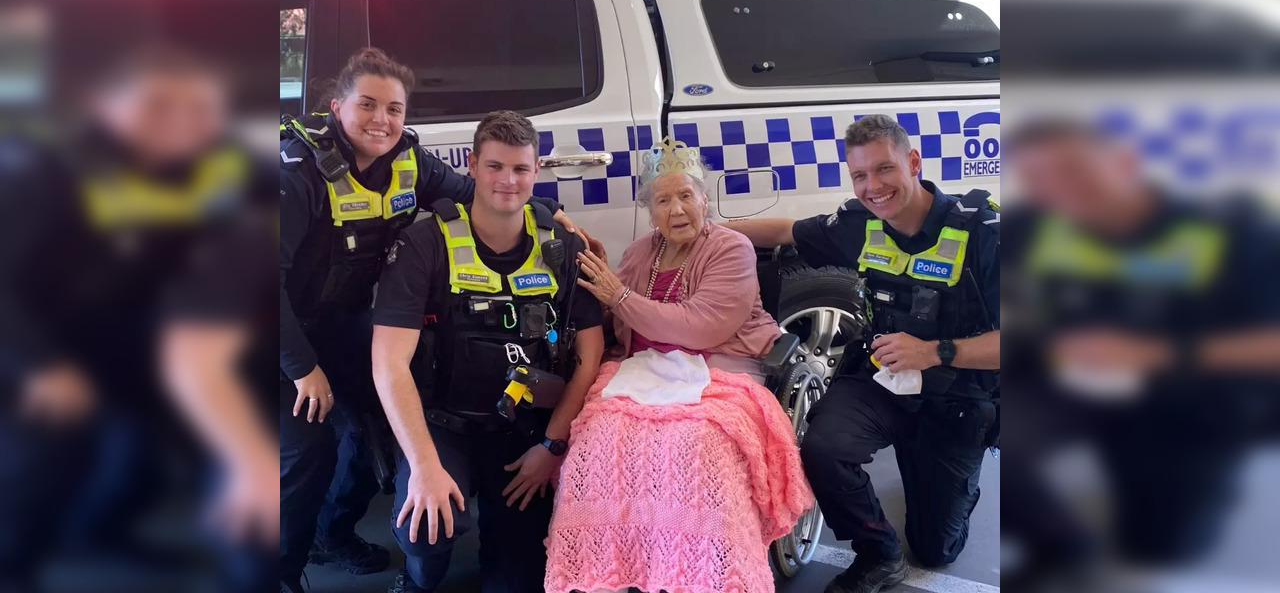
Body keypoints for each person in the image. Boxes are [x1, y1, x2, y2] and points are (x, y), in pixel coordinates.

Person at [279, 49, 577, 592]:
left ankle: (332, 533)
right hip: (275, 328)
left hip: (341, 322)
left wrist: (554, 218)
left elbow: (485, 195)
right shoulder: (296, 173)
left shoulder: (410, 161)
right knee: (306, 450)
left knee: (380, 419)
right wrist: (302, 368)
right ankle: (280, 569)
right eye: (367, 105)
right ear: (336, 105)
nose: (381, 120)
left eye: (394, 109)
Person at [0, 44, 279, 592]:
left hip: (148, 335)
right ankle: (13, 560)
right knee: (48, 453)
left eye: (199, 109)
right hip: (41, 340)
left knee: (191, 438)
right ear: (105, 106)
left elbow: (279, 197)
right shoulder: (44, 170)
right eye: (158, 105)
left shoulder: (217, 164)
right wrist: (41, 365)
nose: (181, 122)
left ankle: (107, 532)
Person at [724, 114, 1000, 593]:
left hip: (955, 399)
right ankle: (877, 553)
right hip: (881, 383)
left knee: (936, 549)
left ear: (913, 163)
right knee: (823, 447)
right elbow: (785, 231)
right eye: (859, 176)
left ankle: (951, 481)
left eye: (884, 169)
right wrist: (696, 227)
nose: (873, 187)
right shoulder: (858, 223)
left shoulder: (984, 233)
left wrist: (936, 351)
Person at [999, 118, 1280, 589]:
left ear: (1125, 163)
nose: (1060, 192)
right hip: (1072, 384)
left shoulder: (1229, 230)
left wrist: (1160, 353)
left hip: (1191, 402)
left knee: (1160, 546)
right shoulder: (1034, 229)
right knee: (990, 430)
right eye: (1039, 181)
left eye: (1075, 171)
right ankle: (1058, 545)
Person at [543, 137, 813, 593]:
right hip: (643, 368)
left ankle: (708, 570)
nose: (677, 209)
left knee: (699, 445)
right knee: (596, 435)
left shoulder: (731, 249)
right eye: (663, 199)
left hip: (721, 369)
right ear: (650, 212)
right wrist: (601, 285)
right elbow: (616, 318)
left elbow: (702, 327)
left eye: (686, 195)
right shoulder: (639, 252)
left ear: (705, 199)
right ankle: (616, 564)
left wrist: (621, 296)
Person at [370, 111, 605, 593]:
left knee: (519, 579)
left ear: (537, 170)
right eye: (495, 167)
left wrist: (552, 445)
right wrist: (424, 465)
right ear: (472, 165)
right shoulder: (424, 243)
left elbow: (589, 354)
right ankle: (417, 579)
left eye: (521, 169)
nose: (508, 181)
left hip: (522, 430)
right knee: (425, 530)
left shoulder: (561, 247)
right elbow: (388, 362)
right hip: (442, 422)